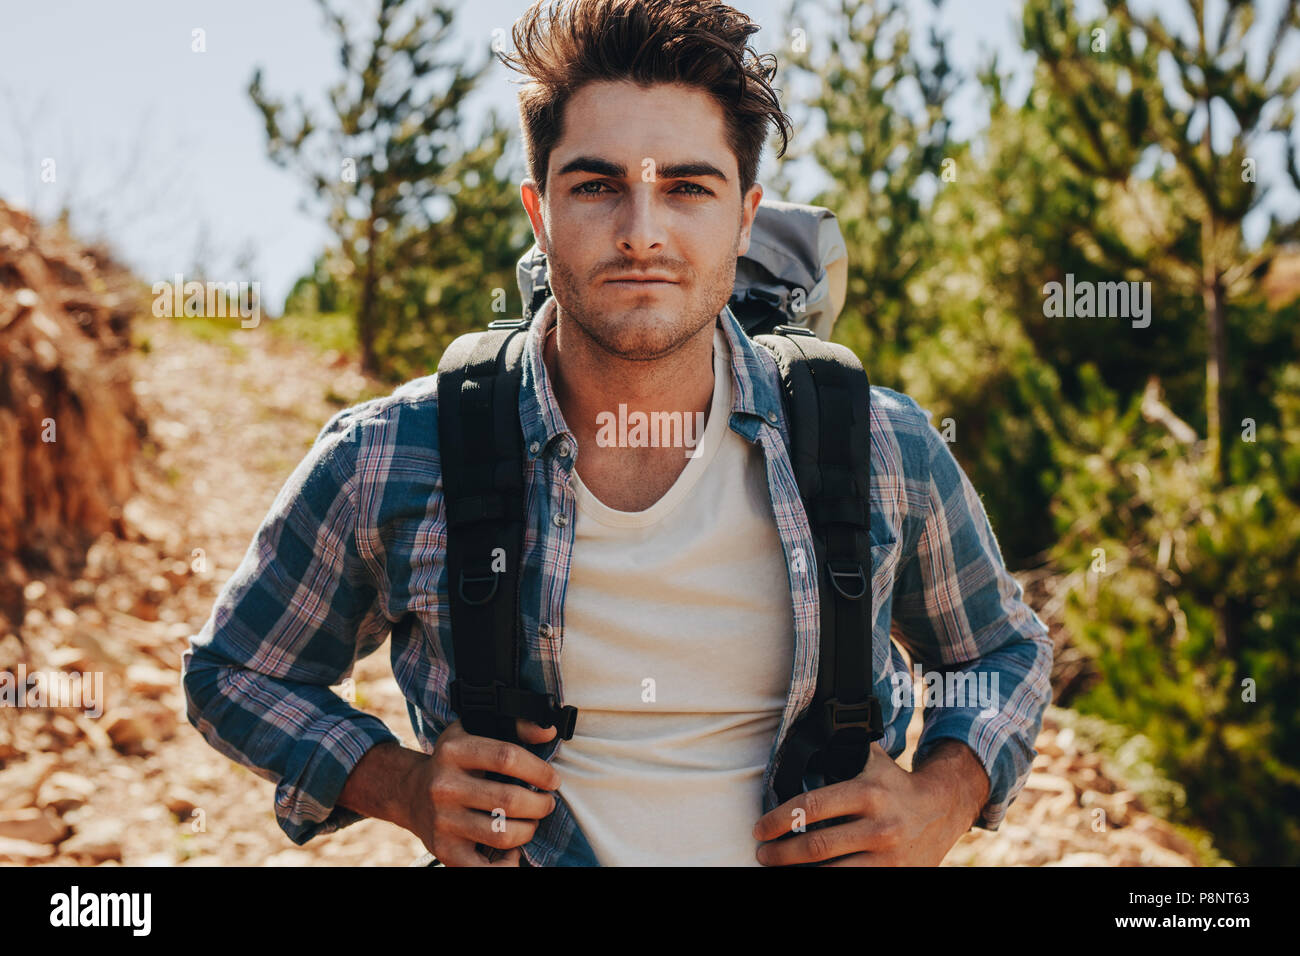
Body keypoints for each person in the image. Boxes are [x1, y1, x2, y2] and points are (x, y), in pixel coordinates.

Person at [182, 0, 1054, 867]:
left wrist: (941, 802)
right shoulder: (395, 453)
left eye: (686, 187)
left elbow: (1003, 652)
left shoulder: (875, 446)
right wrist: (400, 786)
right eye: (597, 186)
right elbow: (234, 672)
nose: (642, 232)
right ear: (539, 211)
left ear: (745, 217)